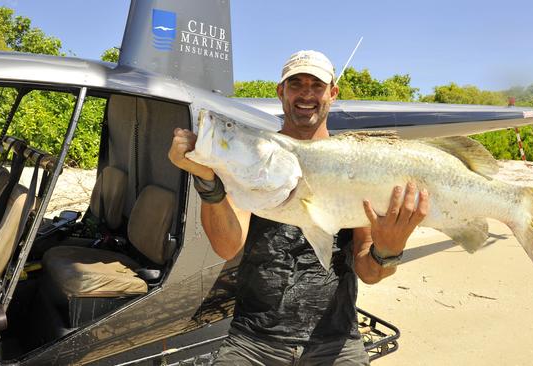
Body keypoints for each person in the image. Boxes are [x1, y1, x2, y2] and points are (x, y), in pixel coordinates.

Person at [168, 50, 429, 365]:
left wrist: (388, 251)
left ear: (332, 93)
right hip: (253, 341)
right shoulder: (256, 158)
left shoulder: (355, 163)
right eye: (296, 84)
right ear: (281, 92)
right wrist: (207, 180)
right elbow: (227, 246)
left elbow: (369, 272)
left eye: (316, 86)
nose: (306, 94)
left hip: (336, 342)